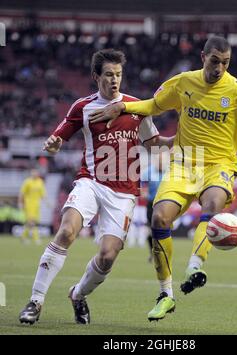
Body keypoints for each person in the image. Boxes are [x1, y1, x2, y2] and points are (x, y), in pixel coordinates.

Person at [88, 36, 237, 321]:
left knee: (212, 205)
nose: (220, 68)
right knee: (159, 218)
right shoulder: (183, 82)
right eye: (215, 61)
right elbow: (153, 105)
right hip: (184, 162)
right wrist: (123, 107)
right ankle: (166, 295)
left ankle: (195, 266)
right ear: (203, 57)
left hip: (218, 164)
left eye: (225, 63)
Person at [19, 48, 174, 325]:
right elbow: (59, 136)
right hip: (90, 181)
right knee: (66, 231)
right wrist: (54, 144)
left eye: (118, 75)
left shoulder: (136, 107)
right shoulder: (83, 107)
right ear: (96, 76)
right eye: (108, 75)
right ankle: (35, 301)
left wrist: (175, 140)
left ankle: (78, 295)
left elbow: (153, 143)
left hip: (124, 192)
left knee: (108, 256)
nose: (114, 80)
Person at [18, 169, 46, 245]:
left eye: (36, 173)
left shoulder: (40, 182)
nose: (34, 174)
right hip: (28, 204)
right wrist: (20, 203)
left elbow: (42, 194)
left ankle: (23, 237)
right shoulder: (27, 182)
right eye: (33, 173)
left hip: (37, 205)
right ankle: (36, 238)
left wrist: (48, 203)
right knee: (32, 222)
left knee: (31, 223)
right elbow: (22, 193)